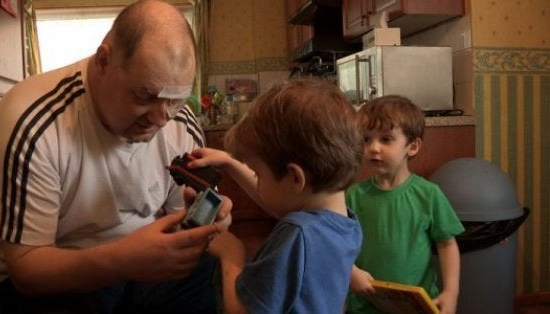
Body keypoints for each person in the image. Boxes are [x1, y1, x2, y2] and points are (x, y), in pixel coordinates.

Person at [0, 1, 230, 313]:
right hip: (42, 274)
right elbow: (26, 271)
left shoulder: (181, 124)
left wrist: (197, 227)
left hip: (138, 266)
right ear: (103, 61)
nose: (162, 119)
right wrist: (123, 261)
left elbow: (175, 225)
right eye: (145, 95)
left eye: (175, 99)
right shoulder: (33, 121)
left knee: (201, 270)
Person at [187, 79, 364, 314]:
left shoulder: (295, 235)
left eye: (258, 174)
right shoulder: (345, 223)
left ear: (295, 178)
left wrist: (232, 254)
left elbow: (241, 311)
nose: (257, 181)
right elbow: (283, 203)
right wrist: (231, 163)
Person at [346, 95, 465, 314]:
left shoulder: (428, 195)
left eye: (386, 139)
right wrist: (351, 272)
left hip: (416, 306)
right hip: (365, 305)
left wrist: (451, 291)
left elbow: (447, 244)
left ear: (412, 147)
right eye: (366, 139)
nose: (373, 147)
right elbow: (339, 245)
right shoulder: (353, 196)